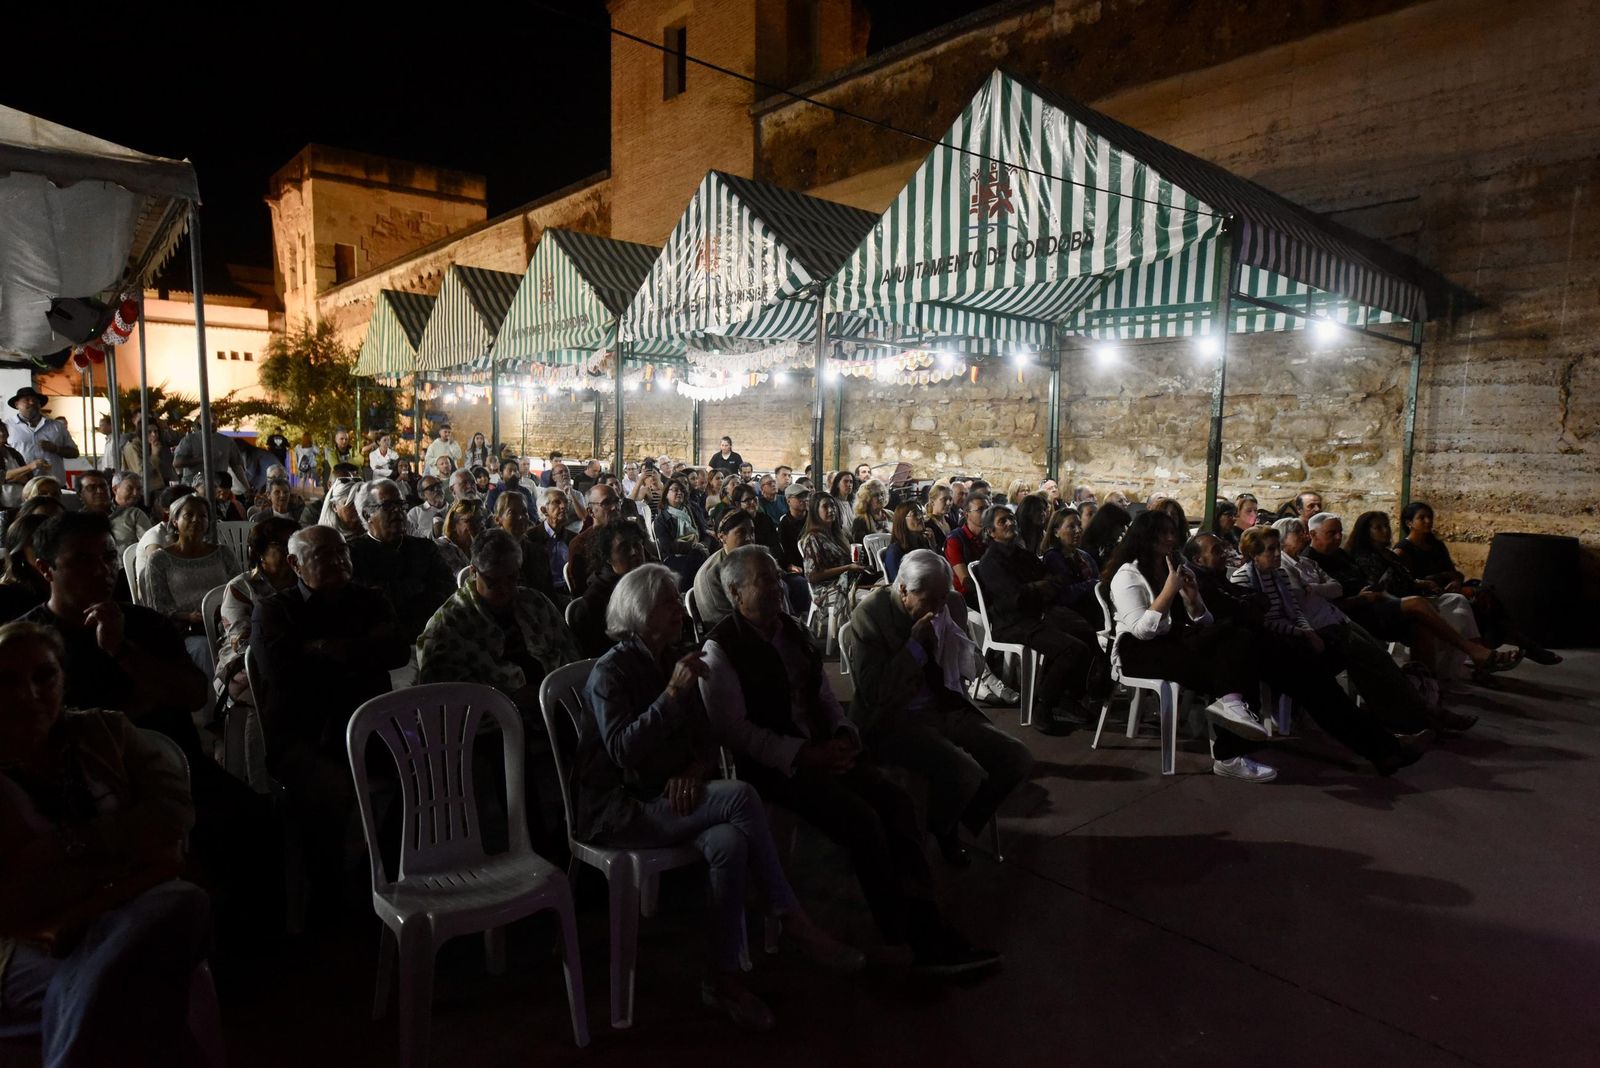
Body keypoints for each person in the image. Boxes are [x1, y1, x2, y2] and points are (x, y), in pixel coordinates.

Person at [576, 564, 862, 1029]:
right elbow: (623, 751)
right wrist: (670, 695)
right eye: (669, 601)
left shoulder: (674, 658)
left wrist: (693, 770)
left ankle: (722, 979)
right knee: (741, 796)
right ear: (641, 611)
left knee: (729, 843)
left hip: (670, 795)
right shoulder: (612, 672)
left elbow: (709, 740)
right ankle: (791, 918)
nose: (678, 607)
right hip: (621, 807)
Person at [702, 547, 1001, 976]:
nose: (777, 587)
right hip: (777, 769)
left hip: (824, 752)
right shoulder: (722, 649)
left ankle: (925, 922)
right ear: (734, 592)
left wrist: (843, 732)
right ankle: (903, 936)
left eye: (775, 576)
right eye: (762, 580)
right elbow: (736, 732)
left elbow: (823, 695)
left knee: (896, 803)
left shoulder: (791, 632)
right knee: (862, 820)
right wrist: (803, 754)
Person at [0, 621, 211, 1068]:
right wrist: (128, 867)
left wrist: (65, 849)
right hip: (25, 946)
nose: (29, 694)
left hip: (134, 914)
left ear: (64, 679)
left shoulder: (105, 733)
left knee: (180, 904)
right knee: (130, 987)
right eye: (8, 681)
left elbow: (174, 812)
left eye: (44, 676)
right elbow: (14, 903)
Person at [251, 525, 408, 919]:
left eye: (342, 553)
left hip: (369, 726)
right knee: (331, 792)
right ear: (295, 564)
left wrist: (324, 649)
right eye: (324, 556)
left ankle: (389, 872)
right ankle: (328, 896)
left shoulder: (370, 598)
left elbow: (397, 652)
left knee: (423, 771)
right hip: (306, 733)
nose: (339, 562)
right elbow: (282, 671)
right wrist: (360, 651)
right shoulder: (275, 609)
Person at [843, 550, 1034, 865]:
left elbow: (960, 659)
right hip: (894, 718)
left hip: (943, 705)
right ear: (903, 590)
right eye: (930, 601)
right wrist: (914, 647)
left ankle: (947, 823)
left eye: (943, 599)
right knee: (964, 773)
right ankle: (941, 831)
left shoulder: (949, 605)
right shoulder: (870, 615)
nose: (939, 608)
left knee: (1016, 758)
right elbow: (876, 692)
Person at [417, 528, 579, 850]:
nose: (506, 589)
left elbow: (567, 652)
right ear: (475, 573)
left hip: (546, 701)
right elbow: (445, 690)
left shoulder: (533, 602)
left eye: (512, 579)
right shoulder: (451, 622)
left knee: (587, 730)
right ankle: (533, 845)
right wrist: (510, 696)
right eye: (495, 581)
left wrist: (550, 688)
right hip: (488, 719)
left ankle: (579, 825)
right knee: (511, 750)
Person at [1236, 524, 1473, 735]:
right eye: (1270, 550)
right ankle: (1414, 717)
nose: (1277, 553)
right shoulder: (1247, 578)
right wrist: (1306, 632)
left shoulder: (1282, 574)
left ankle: (1418, 713)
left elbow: (1301, 606)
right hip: (1290, 638)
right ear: (1254, 555)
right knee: (1366, 656)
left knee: (1378, 658)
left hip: (1316, 625)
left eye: (1277, 547)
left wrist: (1307, 627)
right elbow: (1265, 620)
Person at [1103, 510, 1277, 781]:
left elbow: (1201, 620)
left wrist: (1193, 597)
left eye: (1174, 532)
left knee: (1239, 639)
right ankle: (1230, 748)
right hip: (1138, 651)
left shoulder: (1171, 565)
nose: (1173, 538)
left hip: (1172, 640)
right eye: (1165, 533)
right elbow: (1141, 631)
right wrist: (1169, 591)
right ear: (1147, 538)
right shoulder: (1128, 574)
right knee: (1227, 661)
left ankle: (1232, 718)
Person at [972, 506, 1105, 734]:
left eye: (1011, 518)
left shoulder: (1021, 554)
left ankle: (1069, 696)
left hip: (1037, 613)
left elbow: (1053, 581)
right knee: (1071, 649)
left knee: (1084, 632)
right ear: (990, 532)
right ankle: (1043, 707)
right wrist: (1037, 588)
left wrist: (1036, 588)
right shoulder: (992, 562)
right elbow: (1015, 599)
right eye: (1003, 521)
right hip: (1012, 623)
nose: (1010, 523)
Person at [1395, 501, 1559, 664]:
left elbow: (1456, 573)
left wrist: (1455, 581)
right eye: (1421, 518)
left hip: (1450, 590)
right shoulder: (1404, 550)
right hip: (1430, 596)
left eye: (1429, 517)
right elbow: (1408, 583)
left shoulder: (1436, 545)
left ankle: (1493, 655)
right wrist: (1436, 582)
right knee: (1483, 602)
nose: (1428, 521)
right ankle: (1512, 650)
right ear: (1409, 523)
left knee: (1486, 600)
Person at [214, 517, 301, 791]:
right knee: (258, 698)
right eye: (283, 544)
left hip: (292, 662)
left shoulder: (304, 582)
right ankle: (260, 785)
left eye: (295, 542)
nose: (292, 551)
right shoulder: (241, 588)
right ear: (261, 552)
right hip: (244, 666)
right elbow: (244, 643)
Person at [347, 479, 456, 643]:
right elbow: (368, 603)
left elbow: (447, 591)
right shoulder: (352, 553)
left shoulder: (425, 548)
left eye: (401, 505)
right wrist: (417, 586)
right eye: (388, 506)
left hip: (431, 635)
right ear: (367, 514)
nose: (398, 511)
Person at [140, 493, 240, 670]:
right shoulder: (160, 560)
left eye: (203, 516)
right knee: (203, 649)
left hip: (226, 626)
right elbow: (157, 609)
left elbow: (239, 590)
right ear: (174, 522)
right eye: (189, 515)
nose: (197, 520)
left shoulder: (223, 554)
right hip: (185, 632)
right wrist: (188, 616)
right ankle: (214, 697)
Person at [569, 521, 648, 658]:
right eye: (624, 548)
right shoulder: (594, 602)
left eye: (636, 544)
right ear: (608, 558)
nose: (634, 552)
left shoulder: (650, 581)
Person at [800, 492, 865, 637]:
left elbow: (849, 563)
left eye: (833, 506)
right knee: (867, 603)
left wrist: (855, 561)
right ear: (816, 511)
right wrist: (848, 567)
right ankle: (854, 639)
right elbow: (813, 576)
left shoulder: (838, 534)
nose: (831, 510)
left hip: (847, 581)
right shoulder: (812, 538)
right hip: (827, 588)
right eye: (825, 506)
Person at [693, 509, 757, 630]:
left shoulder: (755, 562)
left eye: (752, 532)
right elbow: (724, 626)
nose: (750, 538)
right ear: (722, 537)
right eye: (741, 533)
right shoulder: (711, 575)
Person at [4, 386, 80, 484]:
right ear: (17, 404)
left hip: (54, 485)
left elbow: (75, 453)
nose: (32, 403)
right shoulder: (7, 426)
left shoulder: (57, 426)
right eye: (27, 400)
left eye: (35, 400)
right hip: (22, 487)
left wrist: (56, 449)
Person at [1040, 507, 1101, 625]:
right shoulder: (1053, 557)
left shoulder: (1084, 556)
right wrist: (1093, 584)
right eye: (1071, 527)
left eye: (1079, 525)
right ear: (1056, 532)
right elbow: (1064, 594)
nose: (1078, 530)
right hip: (1071, 615)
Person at [0, 503, 56, 622]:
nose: (48, 550)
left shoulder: (68, 584)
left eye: (54, 542)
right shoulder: (6, 596)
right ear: (20, 555)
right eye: (36, 545)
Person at [653, 477, 709, 588]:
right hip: (674, 558)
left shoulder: (691, 511)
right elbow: (668, 547)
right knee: (695, 559)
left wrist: (703, 545)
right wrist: (693, 545)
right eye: (675, 490)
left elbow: (704, 533)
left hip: (698, 551)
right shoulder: (662, 519)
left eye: (682, 490)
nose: (679, 492)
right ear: (666, 495)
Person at [567, 484, 620, 597]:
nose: (614, 507)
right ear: (591, 511)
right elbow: (582, 592)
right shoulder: (580, 545)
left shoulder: (628, 534)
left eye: (616, 501)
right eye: (606, 503)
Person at [943, 494, 989, 600]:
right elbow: (965, 580)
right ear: (967, 514)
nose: (986, 513)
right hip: (966, 598)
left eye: (988, 508)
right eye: (980, 509)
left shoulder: (990, 536)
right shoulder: (955, 539)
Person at [883, 501, 938, 584]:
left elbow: (939, 567)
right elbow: (897, 583)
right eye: (915, 514)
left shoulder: (922, 543)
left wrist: (933, 545)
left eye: (921, 513)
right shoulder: (895, 551)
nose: (921, 518)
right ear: (902, 520)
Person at [0, 418, 43, 513]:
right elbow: (2, 475)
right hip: (3, 505)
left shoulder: (13, 452)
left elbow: (28, 477)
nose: (2, 433)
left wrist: (13, 478)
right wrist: (30, 466)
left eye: (3, 430)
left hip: (21, 503)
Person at [434, 497, 484, 577]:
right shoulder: (443, 546)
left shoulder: (481, 545)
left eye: (479, 520)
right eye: (469, 521)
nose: (477, 525)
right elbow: (461, 578)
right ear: (453, 525)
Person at [1079, 501, 1131, 571]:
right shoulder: (1088, 551)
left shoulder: (1110, 545)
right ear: (1110, 526)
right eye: (1121, 526)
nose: (1123, 531)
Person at [776, 482, 810, 573]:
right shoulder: (784, 524)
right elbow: (787, 551)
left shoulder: (814, 518)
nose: (804, 499)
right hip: (799, 567)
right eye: (799, 497)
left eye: (806, 496)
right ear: (788, 501)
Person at [850, 479, 892, 543]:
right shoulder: (860, 521)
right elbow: (862, 545)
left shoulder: (891, 514)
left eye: (882, 494)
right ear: (867, 499)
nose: (881, 498)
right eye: (876, 495)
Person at [404, 476, 446, 540]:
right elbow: (408, 534)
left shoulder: (454, 509)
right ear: (423, 495)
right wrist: (431, 534)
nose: (437, 489)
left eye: (439, 485)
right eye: (431, 488)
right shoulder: (415, 513)